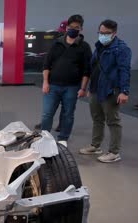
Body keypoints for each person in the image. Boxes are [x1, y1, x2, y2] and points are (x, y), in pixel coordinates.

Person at [79, 19, 132, 163]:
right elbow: (94, 68)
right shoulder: (99, 46)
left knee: (113, 121)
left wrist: (124, 91)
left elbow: (124, 70)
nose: (102, 35)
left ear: (114, 33)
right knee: (97, 119)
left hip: (111, 90)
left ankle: (114, 152)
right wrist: (91, 88)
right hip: (96, 89)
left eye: (106, 33)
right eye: (100, 33)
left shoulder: (121, 49)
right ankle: (95, 146)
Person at [40, 15, 92, 147]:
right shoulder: (57, 43)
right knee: (47, 113)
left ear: (81, 29)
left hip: (72, 87)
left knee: (68, 114)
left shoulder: (84, 47)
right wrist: (45, 82)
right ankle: (44, 137)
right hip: (52, 86)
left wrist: (83, 88)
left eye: (77, 27)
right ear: (67, 27)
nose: (73, 29)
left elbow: (87, 70)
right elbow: (47, 64)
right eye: (71, 27)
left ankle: (63, 138)